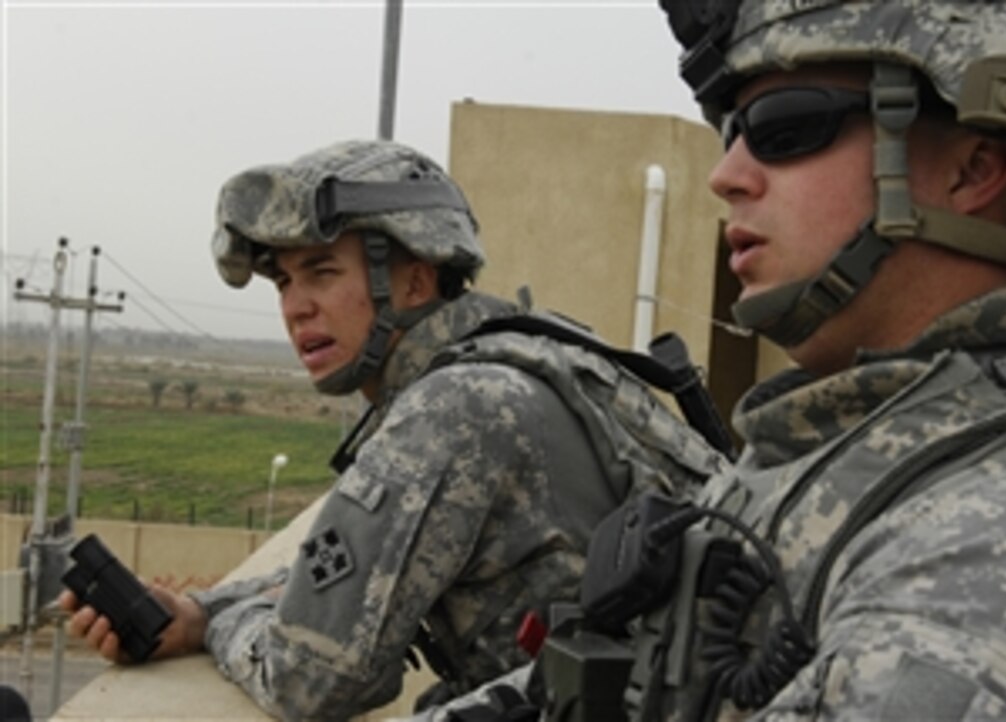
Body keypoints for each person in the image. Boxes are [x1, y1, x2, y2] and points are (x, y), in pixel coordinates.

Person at [400, 0, 1006, 720]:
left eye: (784, 128)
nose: (726, 175)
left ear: (974, 168)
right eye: (731, 134)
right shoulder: (838, 450)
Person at [58, 140, 730, 720]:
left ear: (413, 281)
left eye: (322, 273)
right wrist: (199, 613)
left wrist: (223, 626)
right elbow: (362, 569)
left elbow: (308, 680)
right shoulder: (515, 353)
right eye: (285, 282)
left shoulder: (453, 410)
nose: (296, 308)